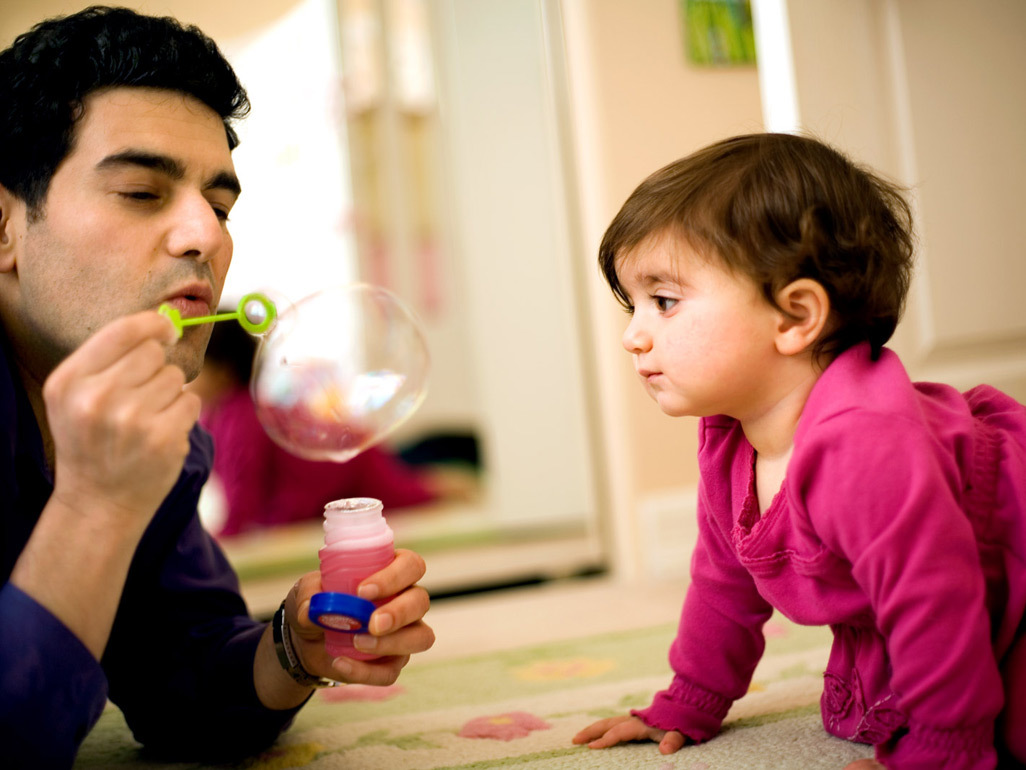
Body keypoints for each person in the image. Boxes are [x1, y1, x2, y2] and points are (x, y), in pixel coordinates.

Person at [0, 7, 433, 767]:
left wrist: (294, 645)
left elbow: (183, 676)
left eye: (221, 204)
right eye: (141, 191)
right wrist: (95, 504)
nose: (206, 235)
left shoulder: (161, 433)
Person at [572, 133, 1026, 768]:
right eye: (633, 305)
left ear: (794, 318)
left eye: (665, 302)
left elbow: (934, 601)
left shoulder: (864, 445)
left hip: (1007, 559)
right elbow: (724, 581)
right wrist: (691, 699)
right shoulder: (730, 436)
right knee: (867, 707)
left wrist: (943, 750)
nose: (631, 336)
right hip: (937, 586)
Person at [190, 317, 440, 537]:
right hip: (336, 472)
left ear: (222, 371)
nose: (182, 371)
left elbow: (243, 495)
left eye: (194, 361)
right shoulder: (222, 414)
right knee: (406, 494)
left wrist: (220, 540)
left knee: (413, 499)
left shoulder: (240, 415)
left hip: (351, 468)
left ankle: (452, 486)